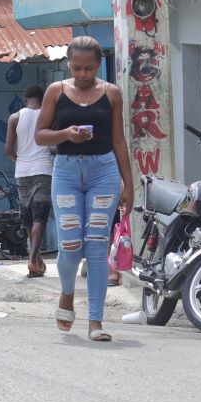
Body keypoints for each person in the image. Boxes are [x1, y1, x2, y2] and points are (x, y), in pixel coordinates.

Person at [35, 37, 134, 343]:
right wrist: (65, 133)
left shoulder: (112, 94)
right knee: (70, 244)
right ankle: (66, 292)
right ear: (69, 65)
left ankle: (95, 321)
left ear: (98, 64)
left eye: (88, 68)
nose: (82, 74)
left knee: (95, 244)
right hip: (65, 171)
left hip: (103, 171)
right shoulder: (56, 92)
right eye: (76, 68)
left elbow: (119, 140)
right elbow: (40, 135)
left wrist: (128, 184)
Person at [6, 84, 54, 278]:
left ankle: (35, 257)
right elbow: (54, 147)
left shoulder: (15, 117)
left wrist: (20, 160)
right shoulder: (49, 115)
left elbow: (8, 150)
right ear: (43, 100)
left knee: (27, 215)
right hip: (44, 170)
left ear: (25, 99)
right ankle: (34, 258)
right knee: (40, 216)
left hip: (22, 172)